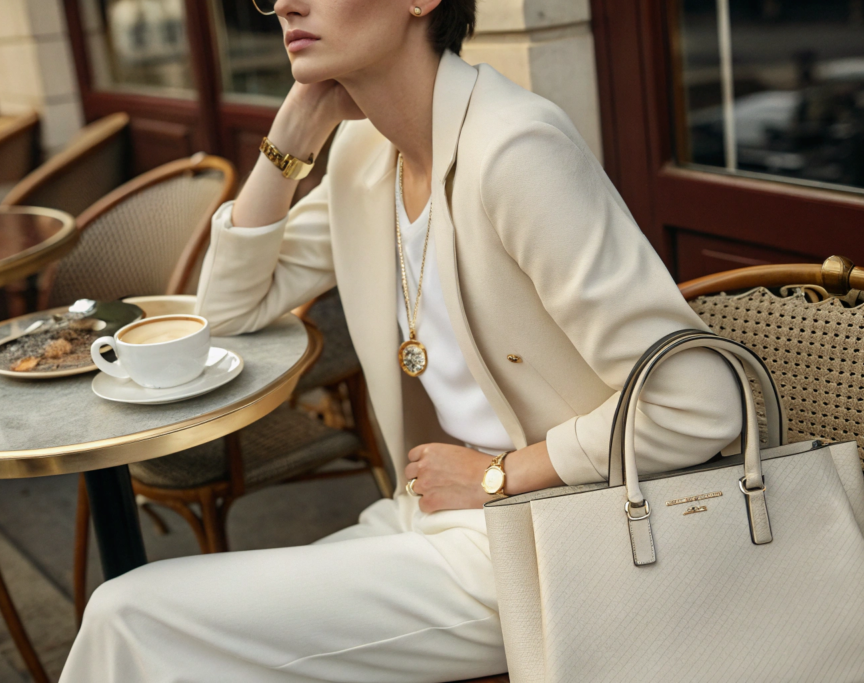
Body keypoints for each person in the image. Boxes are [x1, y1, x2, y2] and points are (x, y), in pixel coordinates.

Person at [60, 0, 742, 680]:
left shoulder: (515, 150)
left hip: (560, 534)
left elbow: (700, 403)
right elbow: (229, 309)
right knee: (180, 642)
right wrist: (291, 133)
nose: (285, 4)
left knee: (133, 615)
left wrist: (502, 474)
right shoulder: (366, 157)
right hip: (428, 513)